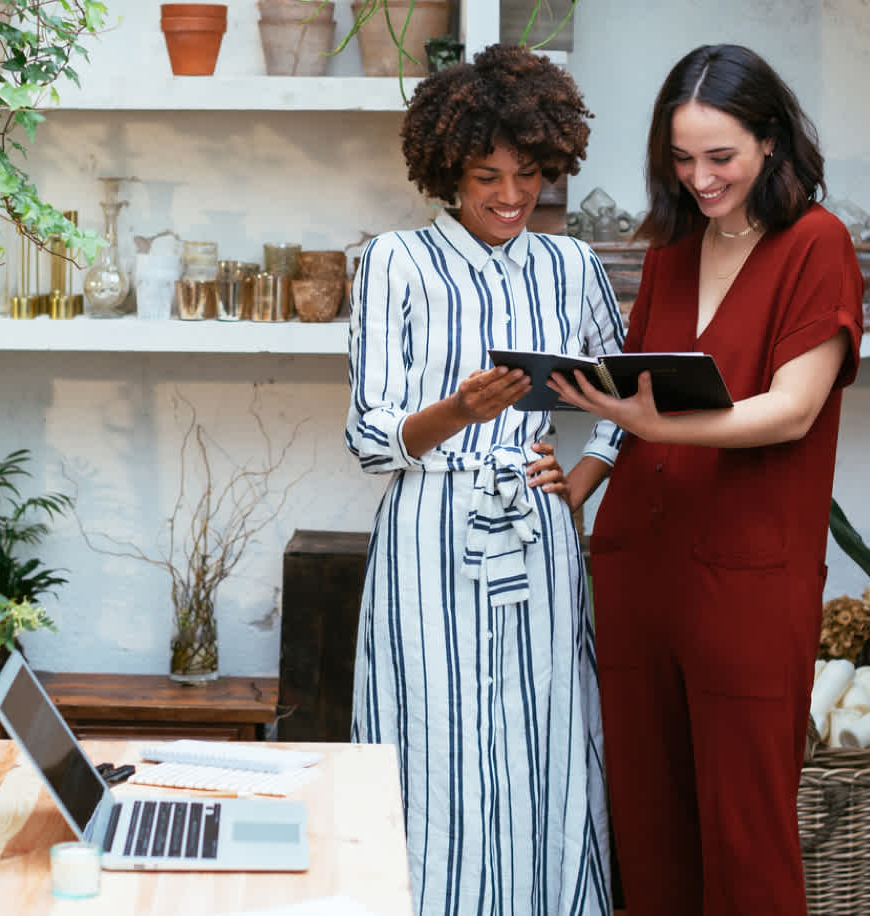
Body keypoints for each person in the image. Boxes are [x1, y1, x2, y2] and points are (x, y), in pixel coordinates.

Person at [549, 44, 864, 916]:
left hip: (747, 582)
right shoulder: (671, 252)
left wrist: (656, 424)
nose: (700, 178)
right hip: (639, 567)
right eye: (681, 160)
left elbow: (794, 409)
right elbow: (635, 393)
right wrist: (592, 446)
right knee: (647, 828)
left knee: (746, 835)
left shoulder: (817, 245)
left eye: (719, 157)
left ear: (770, 139)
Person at [345, 43, 623, 916]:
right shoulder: (394, 261)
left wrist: (585, 474)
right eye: (485, 175)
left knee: (545, 737)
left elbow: (637, 395)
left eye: (529, 175)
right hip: (430, 530)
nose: (509, 197)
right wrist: (459, 412)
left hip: (538, 532)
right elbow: (369, 436)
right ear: (445, 169)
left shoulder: (571, 267)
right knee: (432, 736)